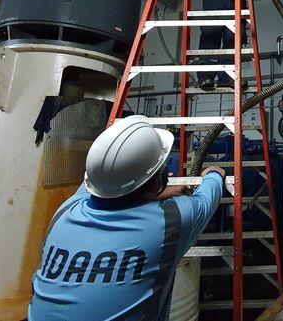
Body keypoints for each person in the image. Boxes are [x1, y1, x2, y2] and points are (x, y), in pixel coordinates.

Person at [28, 115, 225, 320]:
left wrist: (163, 190)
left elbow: (110, 185)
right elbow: (212, 184)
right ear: (158, 181)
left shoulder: (65, 211)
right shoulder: (171, 221)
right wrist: (212, 172)